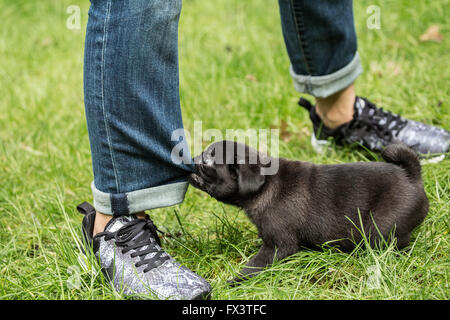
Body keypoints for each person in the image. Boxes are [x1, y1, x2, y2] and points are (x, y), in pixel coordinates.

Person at [79, 0, 449, 300]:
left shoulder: (277, 208)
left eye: (210, 168)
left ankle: (339, 111)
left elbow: (277, 248)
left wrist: (240, 281)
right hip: (388, 185)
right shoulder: (276, 186)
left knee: (375, 233)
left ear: (249, 179)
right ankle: (121, 215)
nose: (199, 169)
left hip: (392, 200)